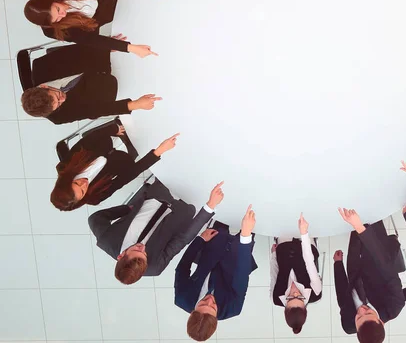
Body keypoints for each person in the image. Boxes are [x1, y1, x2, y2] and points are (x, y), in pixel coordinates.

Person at [89, 180, 225, 284]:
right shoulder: (155, 267)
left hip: (157, 193)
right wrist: (210, 206)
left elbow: (95, 218)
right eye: (144, 255)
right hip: (181, 211)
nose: (142, 248)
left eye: (136, 249)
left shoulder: (106, 240)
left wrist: (127, 209)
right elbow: (182, 240)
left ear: (121, 255)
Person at [176, 205, 258, 341]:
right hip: (236, 262)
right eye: (213, 307)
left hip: (210, 253)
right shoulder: (233, 308)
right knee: (249, 222)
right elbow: (241, 274)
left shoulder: (182, 298)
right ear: (216, 318)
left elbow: (182, 268)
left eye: (202, 304)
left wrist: (200, 240)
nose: (209, 300)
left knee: (222, 216)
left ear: (192, 312)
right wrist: (245, 236)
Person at [24, 0, 157, 56]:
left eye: (58, 9)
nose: (63, 15)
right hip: (112, 15)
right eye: (57, 19)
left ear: (52, 0)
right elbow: (89, 39)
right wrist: (129, 48)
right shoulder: (52, 31)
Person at [51, 125, 179, 211]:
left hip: (108, 138)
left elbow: (90, 139)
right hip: (123, 158)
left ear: (67, 180)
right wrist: (158, 152)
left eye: (77, 183)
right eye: (83, 191)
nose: (84, 184)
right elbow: (127, 177)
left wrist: (113, 129)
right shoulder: (95, 196)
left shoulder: (66, 165)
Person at [333, 208, 405, 341]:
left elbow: (343, 299)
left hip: (354, 266)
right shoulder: (394, 305)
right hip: (376, 251)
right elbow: (384, 264)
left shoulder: (348, 324)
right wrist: (360, 228)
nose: (361, 310)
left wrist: (338, 265)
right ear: (380, 322)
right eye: (368, 312)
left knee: (351, 215)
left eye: (359, 317)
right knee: (370, 212)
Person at [21, 71, 161, 124]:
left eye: (57, 95)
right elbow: (95, 110)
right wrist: (136, 104)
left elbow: (79, 51)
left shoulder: (43, 68)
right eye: (58, 104)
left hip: (98, 67)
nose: (63, 99)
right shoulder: (57, 116)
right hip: (104, 91)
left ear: (45, 86)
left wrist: (107, 49)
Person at [271, 213, 322, 334]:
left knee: (282, 215)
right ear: (305, 306)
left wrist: (273, 255)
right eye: (299, 297)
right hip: (306, 245)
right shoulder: (315, 293)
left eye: (289, 298)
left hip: (284, 247)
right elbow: (309, 262)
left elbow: (274, 274)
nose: (294, 292)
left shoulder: (276, 298)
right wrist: (304, 234)